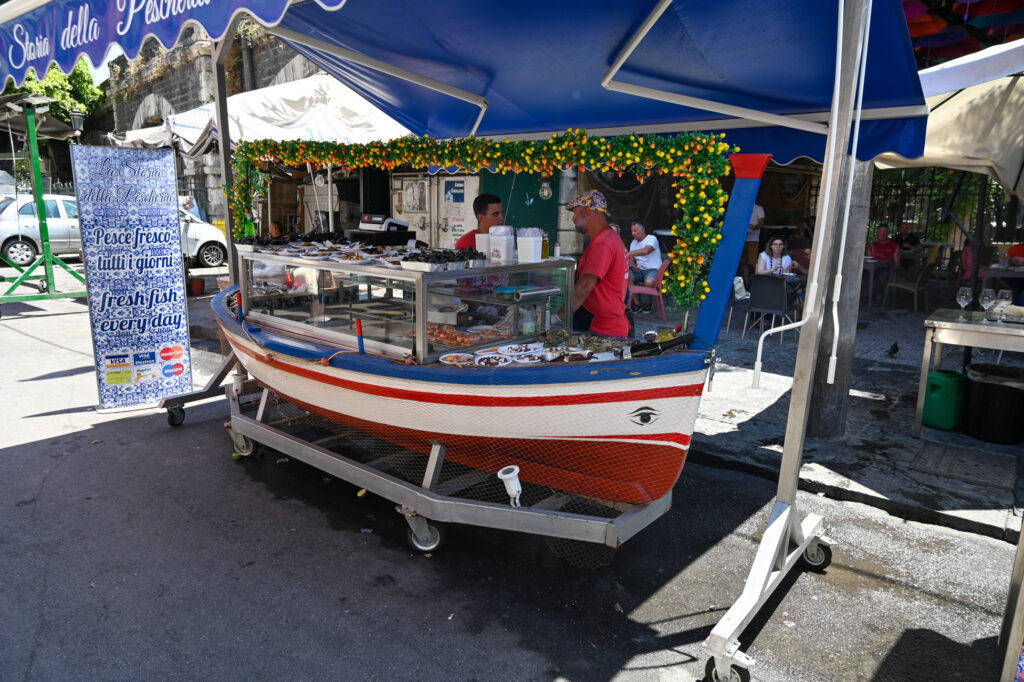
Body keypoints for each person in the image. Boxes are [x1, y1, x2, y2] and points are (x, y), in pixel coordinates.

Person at [560, 190, 629, 337]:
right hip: (609, 324)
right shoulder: (609, 238)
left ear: (586, 211)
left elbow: (585, 286)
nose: (573, 219)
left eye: (575, 213)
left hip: (603, 328)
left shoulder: (603, 243)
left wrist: (557, 318)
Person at [626, 220, 661, 312]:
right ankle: (637, 304)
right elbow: (631, 258)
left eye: (635, 231)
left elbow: (646, 251)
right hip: (639, 270)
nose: (633, 233)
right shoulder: (633, 243)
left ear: (642, 230)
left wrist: (627, 253)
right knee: (626, 277)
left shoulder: (652, 238)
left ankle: (648, 303)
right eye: (632, 231)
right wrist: (633, 265)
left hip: (653, 269)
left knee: (649, 282)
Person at [866, 224, 900, 305]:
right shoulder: (872, 246)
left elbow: (897, 264)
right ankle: (865, 296)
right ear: (877, 233)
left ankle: (879, 297)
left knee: (883, 275)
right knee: (864, 274)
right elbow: (868, 260)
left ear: (888, 233)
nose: (882, 234)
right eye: (880, 232)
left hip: (887, 270)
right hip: (873, 269)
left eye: (885, 232)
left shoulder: (894, 246)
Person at [741, 201, 766, 284]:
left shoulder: (758, 208)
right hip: (740, 240)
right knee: (743, 263)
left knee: (753, 263)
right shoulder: (742, 208)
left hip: (753, 239)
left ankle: (758, 283)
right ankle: (747, 284)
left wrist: (754, 228)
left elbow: (761, 223)